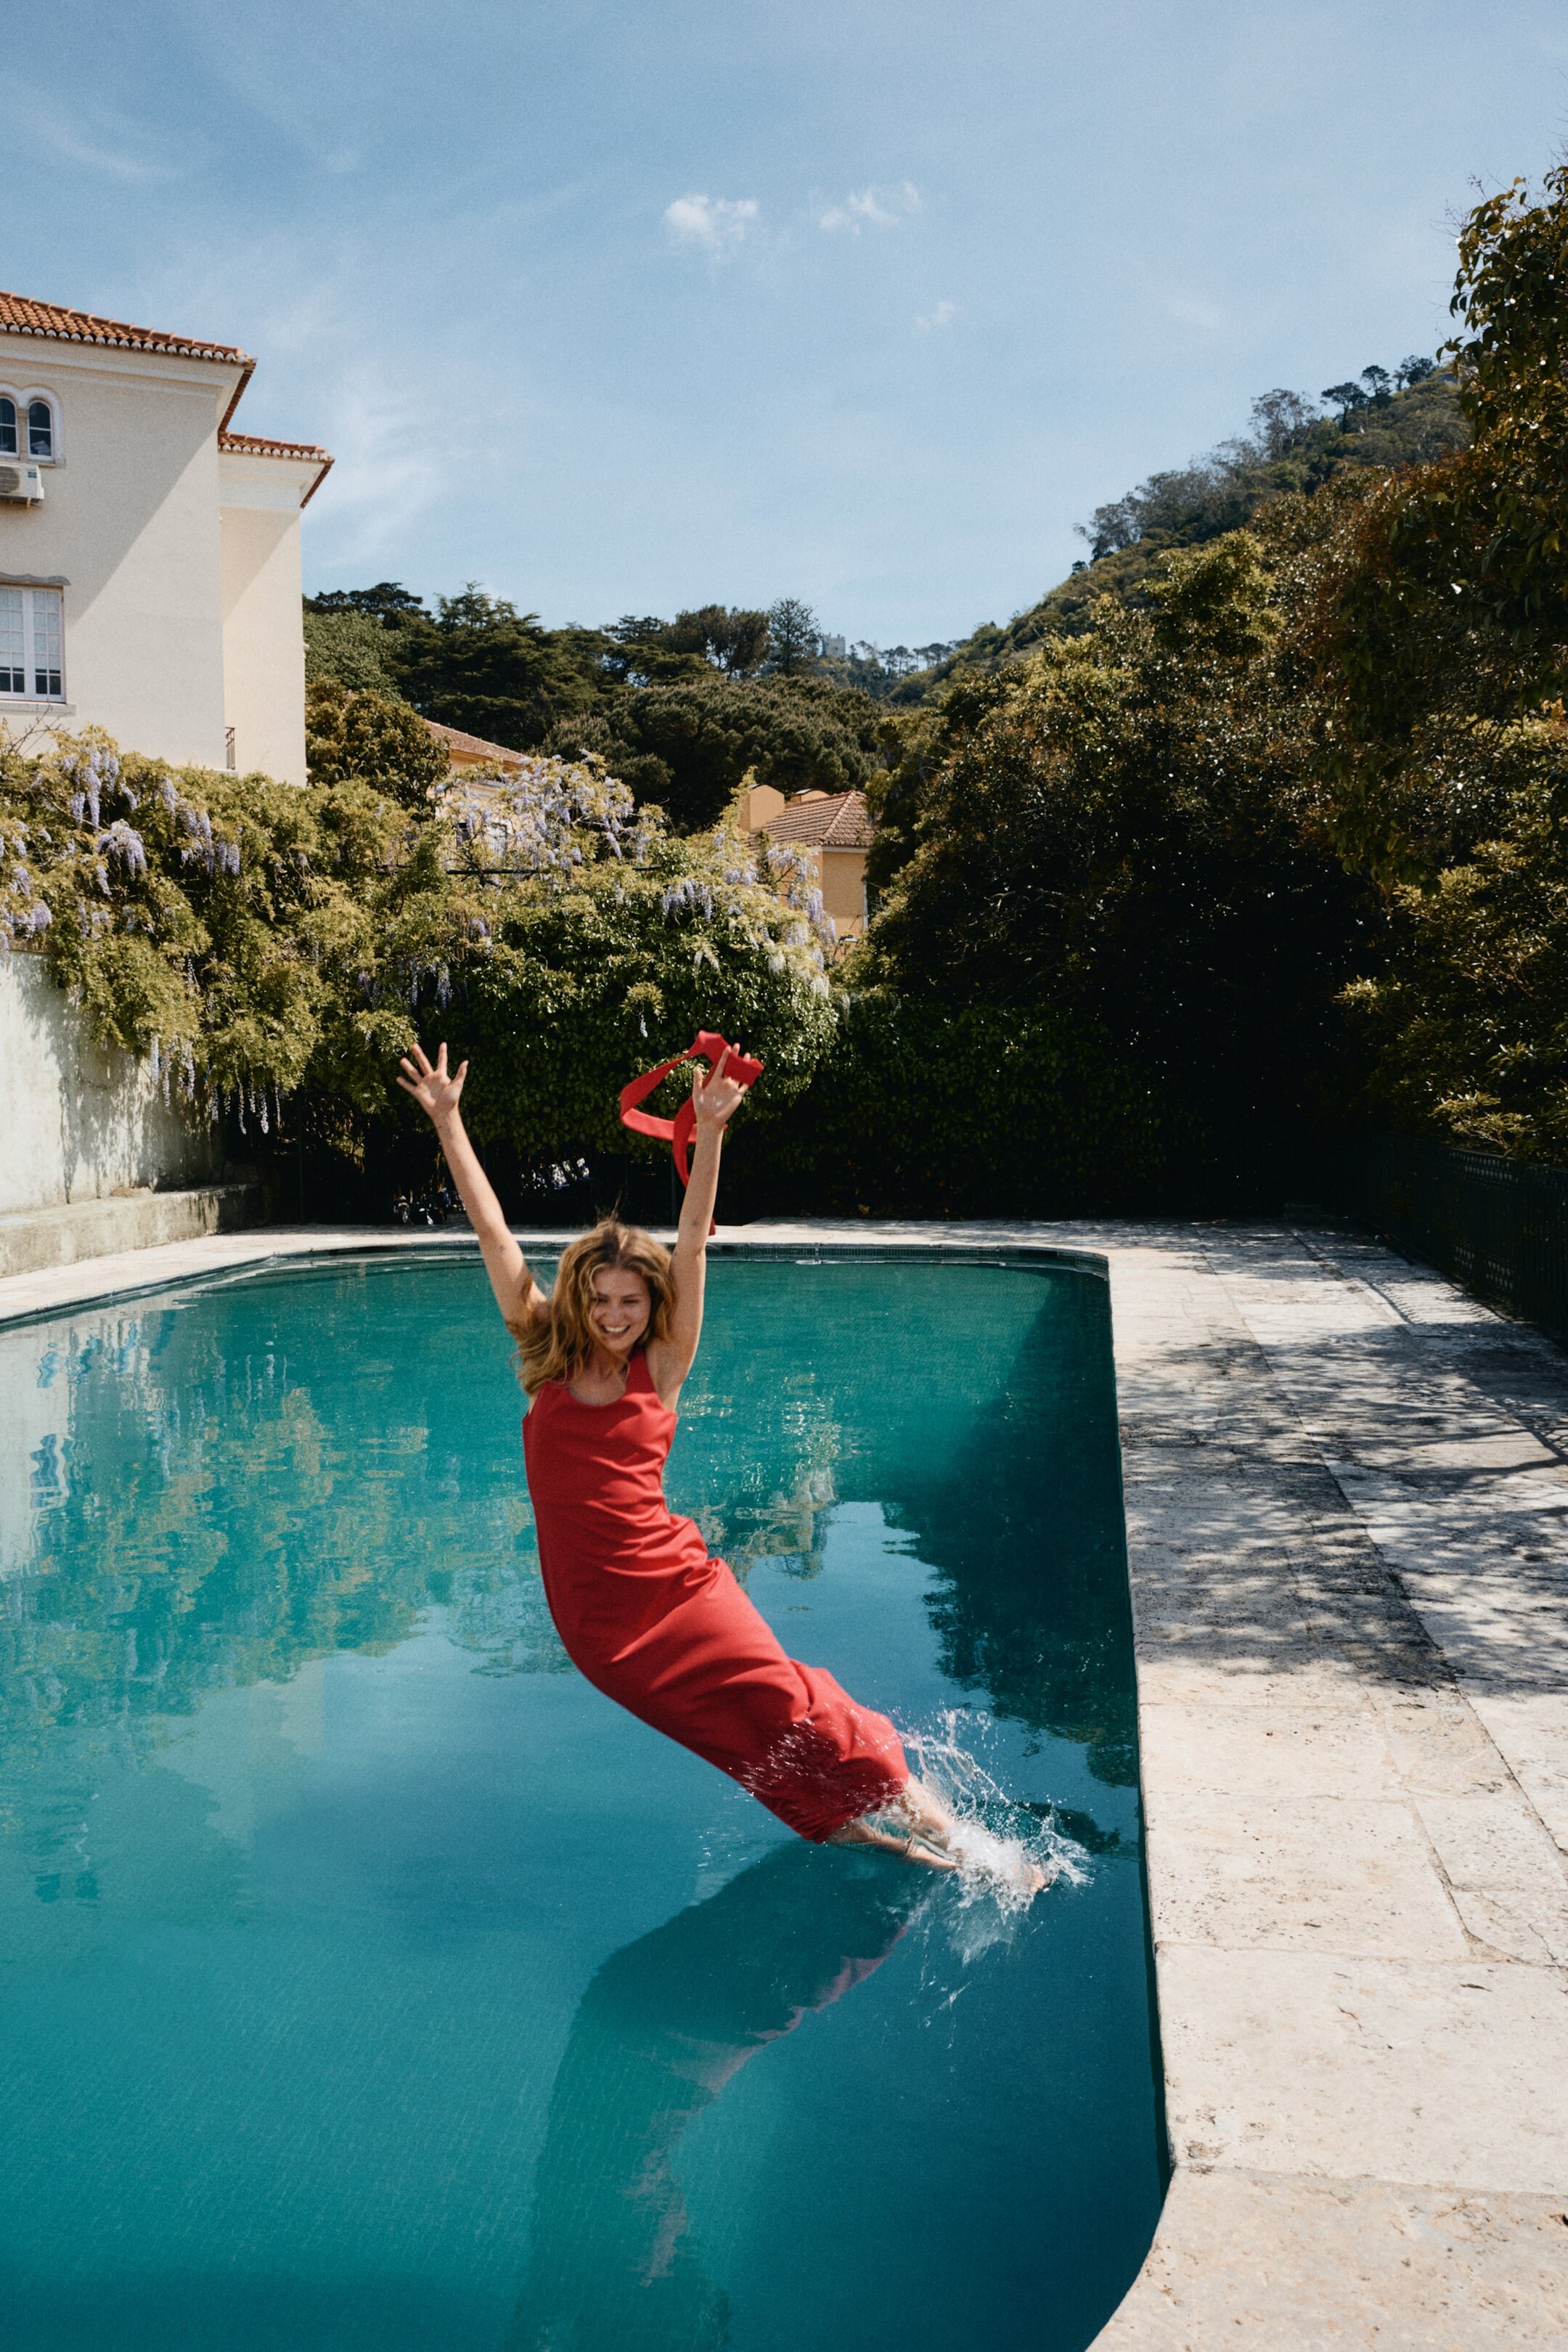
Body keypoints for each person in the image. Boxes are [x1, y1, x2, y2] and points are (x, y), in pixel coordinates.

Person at [396, 1038, 958, 1869]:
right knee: (737, 1742)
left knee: (789, 1704)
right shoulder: (544, 1358)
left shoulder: (660, 1368)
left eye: (630, 1300)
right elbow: (492, 1229)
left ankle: (957, 1840)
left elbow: (691, 1244)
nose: (615, 1314)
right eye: (601, 1299)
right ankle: (881, 1846)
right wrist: (448, 1121)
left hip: (678, 1588)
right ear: (579, 1297)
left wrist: (711, 1131)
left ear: (649, 1302)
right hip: (599, 1627)